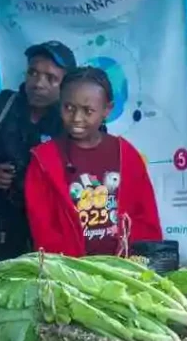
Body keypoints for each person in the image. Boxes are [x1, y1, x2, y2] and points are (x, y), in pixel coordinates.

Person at [25, 66, 161, 255]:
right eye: (69, 108)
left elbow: (146, 218)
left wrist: (135, 264)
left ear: (107, 109)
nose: (77, 118)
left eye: (88, 111)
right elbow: (43, 227)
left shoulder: (125, 153)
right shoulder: (44, 160)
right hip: (69, 274)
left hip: (125, 270)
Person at [0, 42, 75, 273]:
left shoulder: (72, 120)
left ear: (66, 84)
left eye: (50, 78)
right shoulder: (0, 106)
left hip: (46, 236)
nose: (38, 83)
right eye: (33, 73)